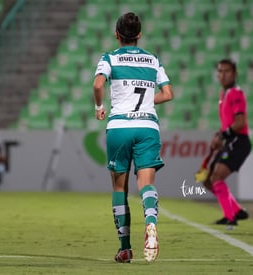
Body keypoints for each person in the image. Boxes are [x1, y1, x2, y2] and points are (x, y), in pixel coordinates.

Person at [93, 12, 174, 263]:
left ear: (117, 34)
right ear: (139, 35)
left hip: (119, 127)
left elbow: (97, 85)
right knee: (146, 184)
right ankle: (150, 222)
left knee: (120, 187)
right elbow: (168, 93)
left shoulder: (109, 58)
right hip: (147, 126)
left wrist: (99, 108)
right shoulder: (153, 59)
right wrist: (147, 101)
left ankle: (125, 248)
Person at [196, 59, 251, 228]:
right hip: (230, 140)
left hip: (239, 141)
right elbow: (228, 123)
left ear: (235, 74)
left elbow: (240, 122)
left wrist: (223, 135)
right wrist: (219, 136)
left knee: (216, 177)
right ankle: (236, 210)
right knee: (207, 180)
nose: (222, 75)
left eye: (227, 71)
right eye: (220, 71)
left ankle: (230, 216)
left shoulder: (235, 93)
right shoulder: (224, 94)